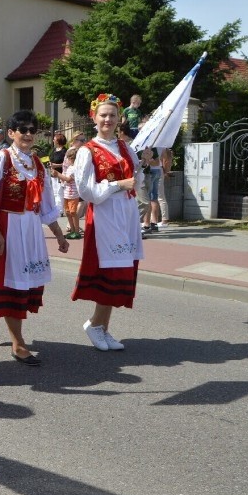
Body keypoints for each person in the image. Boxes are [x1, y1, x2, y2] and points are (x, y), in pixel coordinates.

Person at [0, 110, 68, 366]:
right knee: (12, 286)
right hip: (8, 228)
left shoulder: (37, 164)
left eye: (32, 130)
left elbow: (46, 206)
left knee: (23, 284)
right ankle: (18, 344)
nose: (28, 134)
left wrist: (59, 236)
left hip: (31, 229)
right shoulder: (1, 159)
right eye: (22, 130)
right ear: (11, 133)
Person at [72, 94, 144, 351]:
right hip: (105, 217)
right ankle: (94, 324)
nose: (108, 119)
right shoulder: (87, 151)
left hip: (126, 215)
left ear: (118, 118)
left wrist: (140, 169)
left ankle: (102, 327)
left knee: (122, 272)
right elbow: (87, 191)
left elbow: (137, 180)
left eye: (112, 115)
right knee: (110, 272)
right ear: (94, 117)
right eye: (103, 115)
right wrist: (118, 184)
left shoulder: (126, 148)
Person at [60, 147, 81, 238]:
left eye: (70, 158)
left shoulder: (75, 168)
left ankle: (76, 231)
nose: (68, 160)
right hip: (67, 193)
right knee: (68, 212)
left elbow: (68, 179)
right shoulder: (69, 168)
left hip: (73, 194)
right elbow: (65, 179)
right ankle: (72, 230)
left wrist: (58, 175)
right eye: (68, 158)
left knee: (73, 212)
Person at [47, 132, 67, 214]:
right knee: (54, 192)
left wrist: (56, 165)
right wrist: (49, 164)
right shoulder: (53, 150)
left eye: (54, 139)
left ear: (58, 141)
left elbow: (66, 164)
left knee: (59, 192)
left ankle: (60, 210)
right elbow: (50, 159)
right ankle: (56, 208)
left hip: (60, 174)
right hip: (53, 174)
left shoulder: (64, 151)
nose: (53, 140)